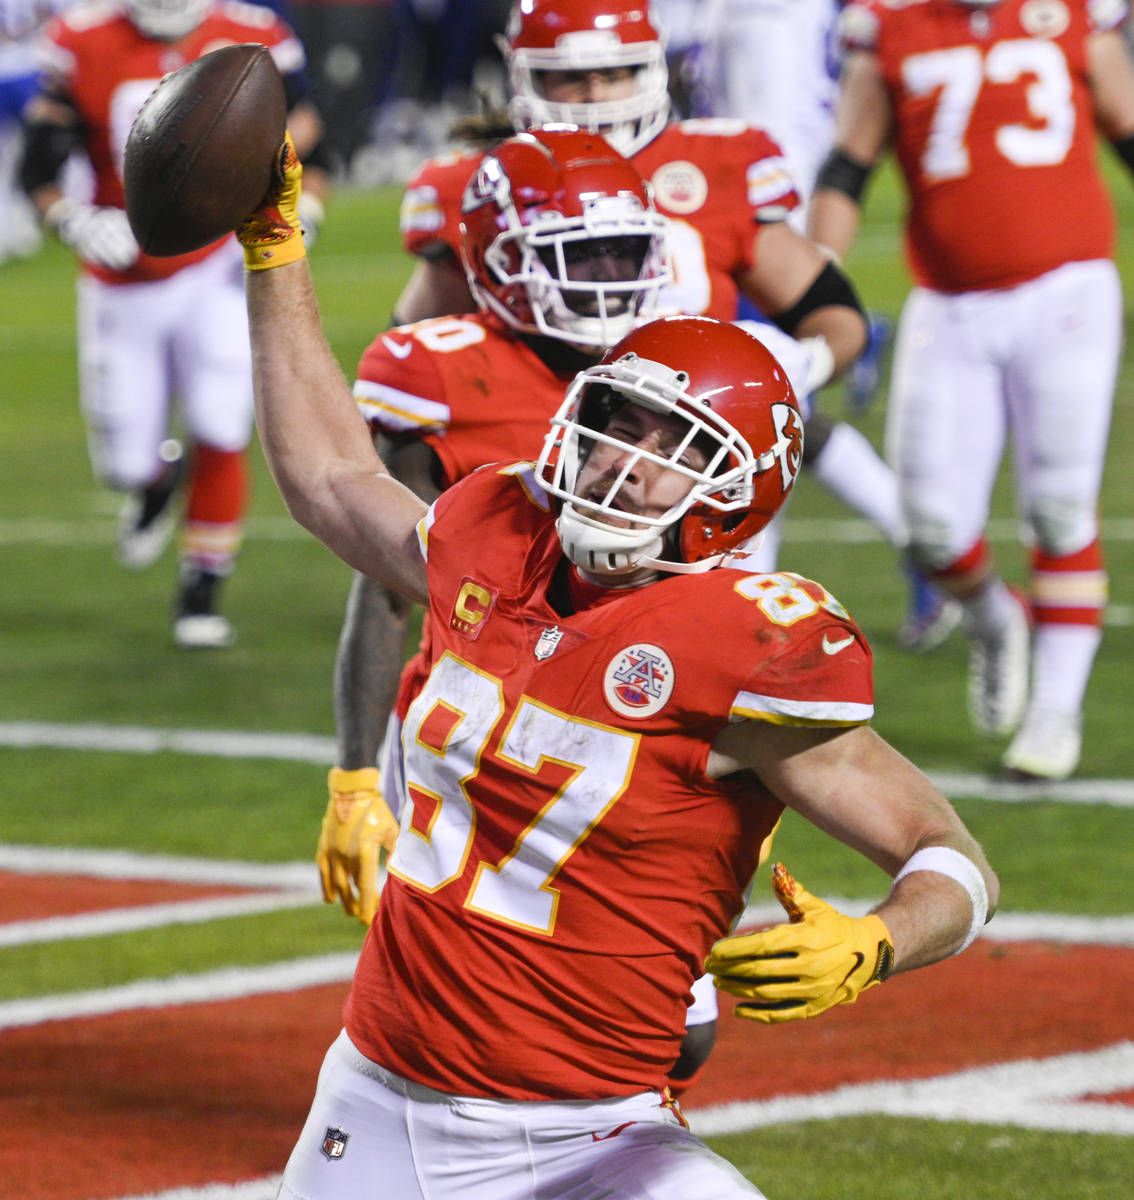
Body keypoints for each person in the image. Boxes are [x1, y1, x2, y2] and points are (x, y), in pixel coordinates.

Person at [235, 146, 999, 1199]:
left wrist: (878, 941)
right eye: (611, 424)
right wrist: (273, 249)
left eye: (666, 444)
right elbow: (330, 477)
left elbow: (952, 859)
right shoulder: (498, 530)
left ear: (734, 489)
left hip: (599, 1140)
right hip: (373, 1108)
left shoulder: (750, 642)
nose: (614, 461)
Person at [322, 123, 719, 1092]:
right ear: (499, 259)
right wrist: (354, 777)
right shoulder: (441, 370)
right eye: (584, 256)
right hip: (481, 725)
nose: (612, 277)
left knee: (680, 1019)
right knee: (490, 1003)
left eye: (626, 251)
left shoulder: (671, 366)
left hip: (637, 715)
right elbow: (385, 584)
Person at [395, 0, 958, 653]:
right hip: (537, 479)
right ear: (525, 74)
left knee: (713, 672)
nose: (594, 97)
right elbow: (411, 354)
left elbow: (835, 316)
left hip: (693, 478)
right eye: (569, 78)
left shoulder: (719, 163)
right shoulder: (478, 183)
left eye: (616, 73)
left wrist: (801, 362)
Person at [807, 0, 1134, 780]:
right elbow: (850, 161)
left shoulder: (1075, 11)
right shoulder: (890, 22)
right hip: (949, 304)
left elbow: (1126, 125)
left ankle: (1055, 714)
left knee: (1059, 508)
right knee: (932, 530)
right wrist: (815, 280)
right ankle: (996, 616)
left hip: (1069, 292)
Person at [19, 0, 330, 646]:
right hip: (121, 273)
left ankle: (201, 590)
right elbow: (39, 162)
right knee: (125, 464)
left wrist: (309, 203)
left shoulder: (253, 34)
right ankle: (157, 480)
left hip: (218, 262)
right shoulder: (80, 38)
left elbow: (313, 129)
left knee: (223, 420)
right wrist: (71, 220)